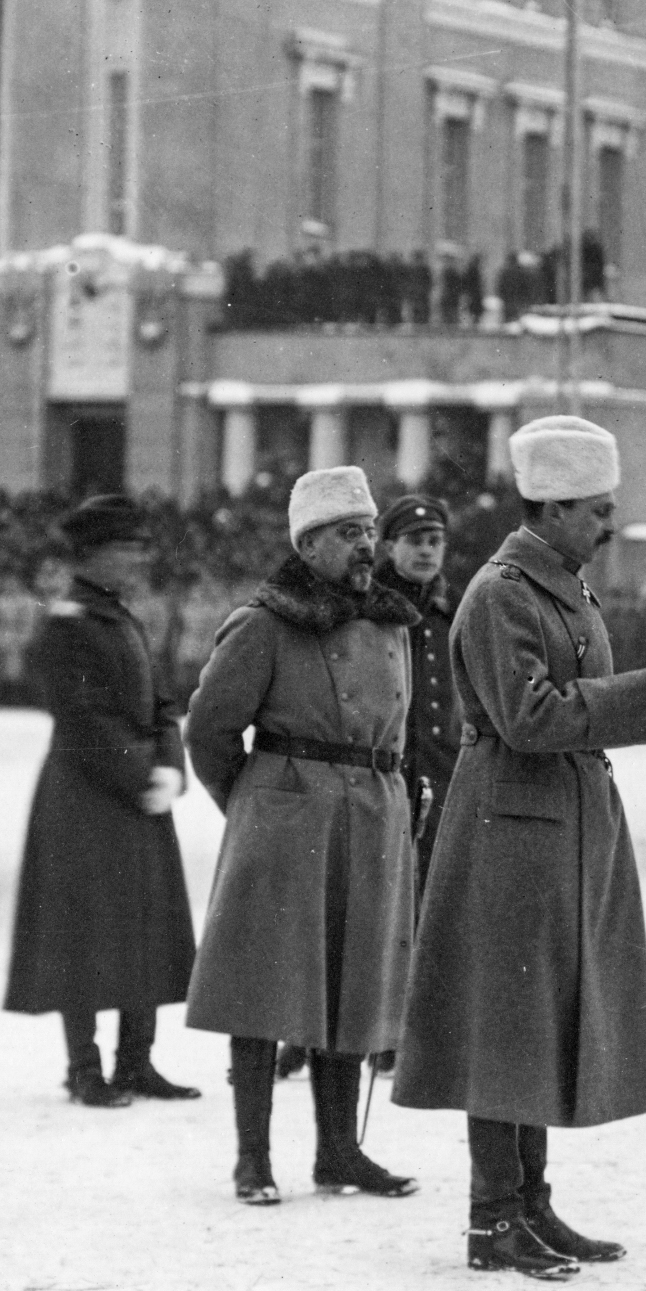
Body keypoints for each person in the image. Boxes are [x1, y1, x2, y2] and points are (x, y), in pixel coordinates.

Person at [395, 415, 646, 1278]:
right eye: (600, 510)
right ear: (557, 506)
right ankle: (493, 1218)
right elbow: (529, 716)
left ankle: (528, 1205)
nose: (610, 526)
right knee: (504, 1023)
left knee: (532, 1020)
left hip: (556, 825)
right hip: (512, 827)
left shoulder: (557, 583)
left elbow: (571, 703)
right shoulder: (503, 592)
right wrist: (645, 690)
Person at [181, 468, 418, 1206]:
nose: (365, 546)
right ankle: (253, 1158)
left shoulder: (389, 621)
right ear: (308, 542)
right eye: (349, 532)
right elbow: (211, 728)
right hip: (286, 821)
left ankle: (339, 1152)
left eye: (370, 531)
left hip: (371, 816)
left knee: (353, 983)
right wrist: (257, 806)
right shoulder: (264, 621)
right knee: (264, 987)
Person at [5, 493, 200, 1108]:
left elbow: (162, 702)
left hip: (129, 789)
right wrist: (145, 774)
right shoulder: (69, 622)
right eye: (128, 549)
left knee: (141, 922)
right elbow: (83, 719)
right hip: (88, 793)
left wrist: (170, 764)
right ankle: (84, 1067)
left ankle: (135, 1061)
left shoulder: (116, 616)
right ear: (92, 555)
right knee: (84, 931)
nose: (139, 560)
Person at [372, 492, 465, 853]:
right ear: (390, 547)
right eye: (414, 541)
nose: (426, 551)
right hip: (385, 779)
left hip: (443, 776)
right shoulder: (371, 609)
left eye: (434, 542)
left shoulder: (455, 610)